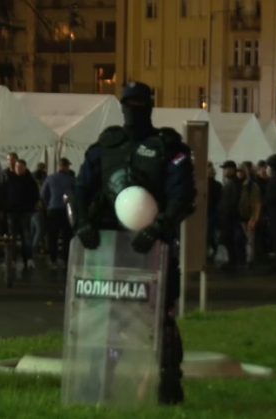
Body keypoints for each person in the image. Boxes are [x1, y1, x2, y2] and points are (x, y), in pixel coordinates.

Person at [68, 81, 196, 405]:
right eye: (128, 104)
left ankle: (169, 382)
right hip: (108, 245)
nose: (133, 111)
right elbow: (80, 189)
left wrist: (159, 227)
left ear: (149, 107)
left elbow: (183, 197)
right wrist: (81, 223)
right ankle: (100, 380)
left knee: (161, 316)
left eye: (139, 104)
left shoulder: (168, 148)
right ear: (121, 107)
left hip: (152, 247)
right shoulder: (106, 147)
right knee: (104, 317)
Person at [41, 157, 75, 268]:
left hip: (53, 210)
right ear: (66, 167)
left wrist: (49, 204)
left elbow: (43, 195)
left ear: (59, 166)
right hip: (67, 210)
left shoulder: (50, 178)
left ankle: (53, 259)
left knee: (52, 236)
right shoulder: (71, 179)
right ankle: (65, 259)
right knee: (67, 237)